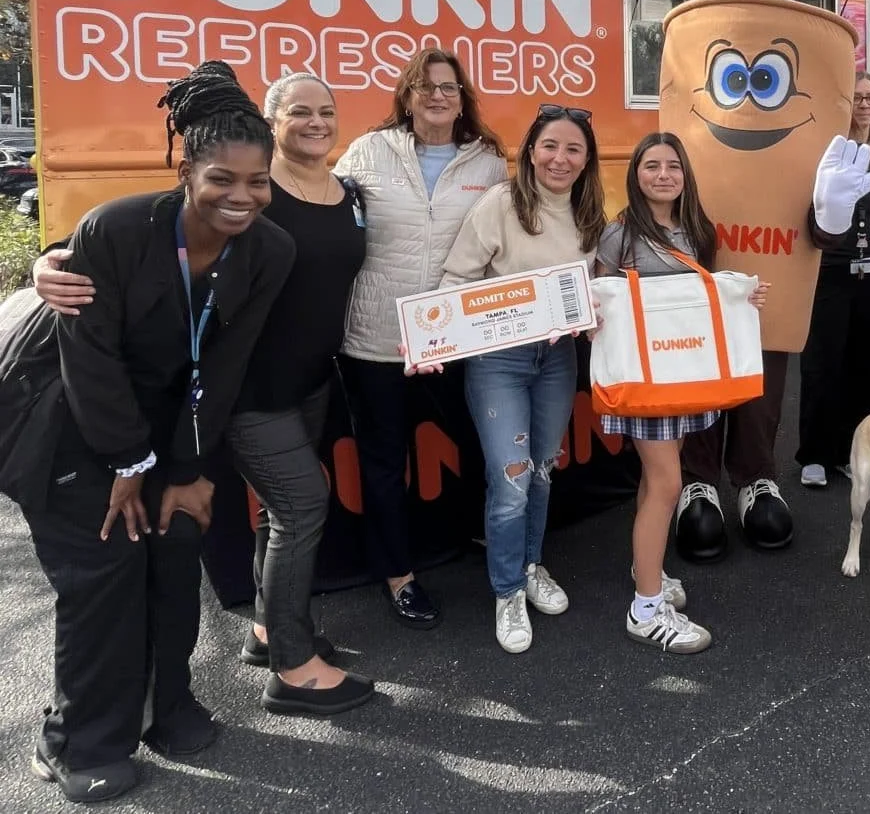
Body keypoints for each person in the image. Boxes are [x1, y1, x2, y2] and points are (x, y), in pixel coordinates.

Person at [29, 73, 377, 716]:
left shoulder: (344, 191)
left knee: (280, 512)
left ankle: (272, 630)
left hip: (307, 382)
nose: (316, 121)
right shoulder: (242, 192)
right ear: (270, 126)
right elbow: (141, 235)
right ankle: (293, 666)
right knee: (304, 507)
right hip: (247, 392)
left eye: (326, 111)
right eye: (299, 111)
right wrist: (50, 258)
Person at [0, 62, 295, 803]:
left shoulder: (269, 251)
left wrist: (191, 471)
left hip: (170, 430)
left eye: (257, 182)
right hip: (66, 424)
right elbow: (86, 357)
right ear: (186, 168)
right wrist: (127, 463)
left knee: (172, 554)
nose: (242, 197)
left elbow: (223, 365)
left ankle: (168, 706)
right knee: (102, 577)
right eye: (222, 179)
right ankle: (76, 741)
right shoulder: (118, 229)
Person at [334, 49, 507, 628]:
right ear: (407, 97)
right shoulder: (367, 152)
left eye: (449, 88)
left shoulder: (488, 163)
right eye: (426, 87)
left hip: (457, 339)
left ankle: (485, 537)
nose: (438, 96)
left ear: (464, 99)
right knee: (384, 463)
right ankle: (398, 574)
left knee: (482, 443)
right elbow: (325, 221)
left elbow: (509, 240)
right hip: (377, 338)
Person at [437, 104, 606, 654]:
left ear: (586, 159)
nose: (561, 158)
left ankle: (532, 566)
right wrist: (432, 335)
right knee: (509, 481)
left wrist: (592, 312)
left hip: (556, 361)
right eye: (550, 146)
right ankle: (506, 591)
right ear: (531, 149)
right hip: (498, 361)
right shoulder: (500, 204)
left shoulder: (589, 213)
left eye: (573, 149)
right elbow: (456, 279)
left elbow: (594, 288)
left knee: (540, 473)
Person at [595, 133, 770, 653]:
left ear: (685, 175)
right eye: (652, 165)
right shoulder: (619, 234)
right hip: (645, 383)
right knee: (667, 485)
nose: (663, 174)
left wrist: (739, 294)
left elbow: (699, 291)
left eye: (673, 165)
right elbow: (601, 297)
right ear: (636, 174)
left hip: (677, 377)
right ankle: (646, 607)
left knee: (657, 485)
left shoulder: (693, 229)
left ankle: (647, 570)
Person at [797, 71, 870, 487]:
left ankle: (849, 450)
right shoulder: (825, 156)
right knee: (822, 363)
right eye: (856, 98)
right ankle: (813, 452)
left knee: (863, 366)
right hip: (830, 272)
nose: (864, 105)